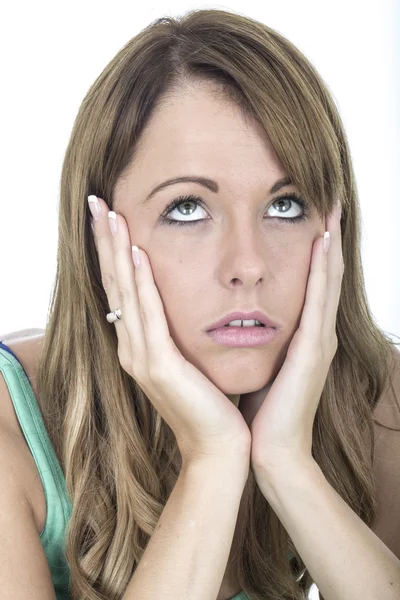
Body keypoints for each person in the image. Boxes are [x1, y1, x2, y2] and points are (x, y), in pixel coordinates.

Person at [1, 7, 399, 600]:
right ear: (100, 239)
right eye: (187, 208)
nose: (249, 266)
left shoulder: (376, 398)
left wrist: (290, 464)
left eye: (285, 205)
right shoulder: (9, 442)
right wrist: (211, 461)